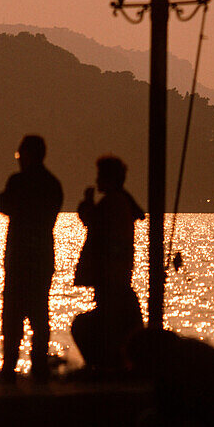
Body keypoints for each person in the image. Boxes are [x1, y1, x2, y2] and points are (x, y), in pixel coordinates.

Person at [0, 134, 63, 384]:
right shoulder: (53, 184)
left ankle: (9, 368)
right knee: (39, 313)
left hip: (20, 257)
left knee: (12, 315)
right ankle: (39, 366)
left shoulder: (19, 181)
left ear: (28, 155)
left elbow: (2, 203)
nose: (19, 160)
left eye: (19, 155)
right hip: (43, 256)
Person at [70, 155, 144, 376]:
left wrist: (86, 204)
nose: (97, 179)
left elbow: (95, 223)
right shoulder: (121, 201)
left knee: (97, 325)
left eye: (100, 176)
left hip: (111, 276)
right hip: (115, 275)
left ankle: (106, 366)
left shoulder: (112, 203)